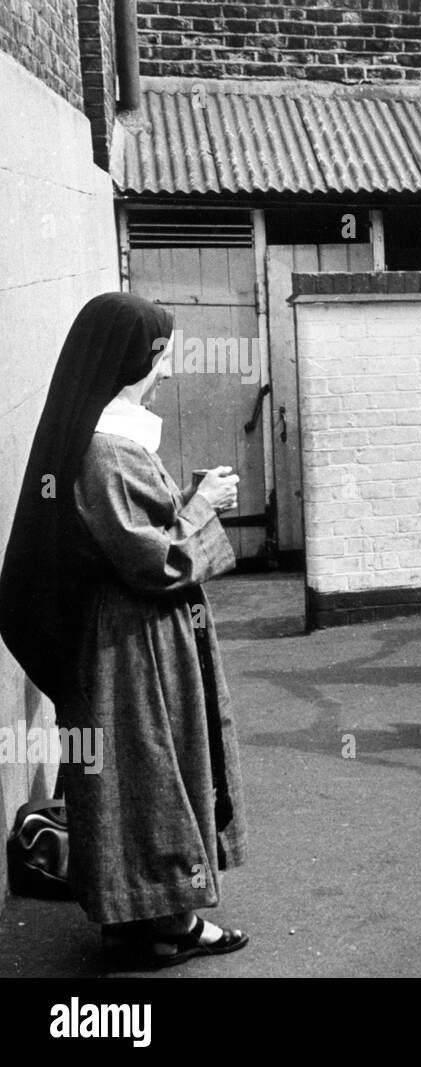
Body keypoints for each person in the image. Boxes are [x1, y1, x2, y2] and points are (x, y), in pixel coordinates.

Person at [0, 292, 249, 967]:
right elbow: (155, 561)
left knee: (131, 775)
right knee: (153, 772)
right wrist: (201, 507)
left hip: (123, 636)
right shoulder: (110, 449)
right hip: (133, 643)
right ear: (133, 358)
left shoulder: (99, 432)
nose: (165, 370)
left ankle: (135, 918)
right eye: (162, 355)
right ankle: (168, 925)